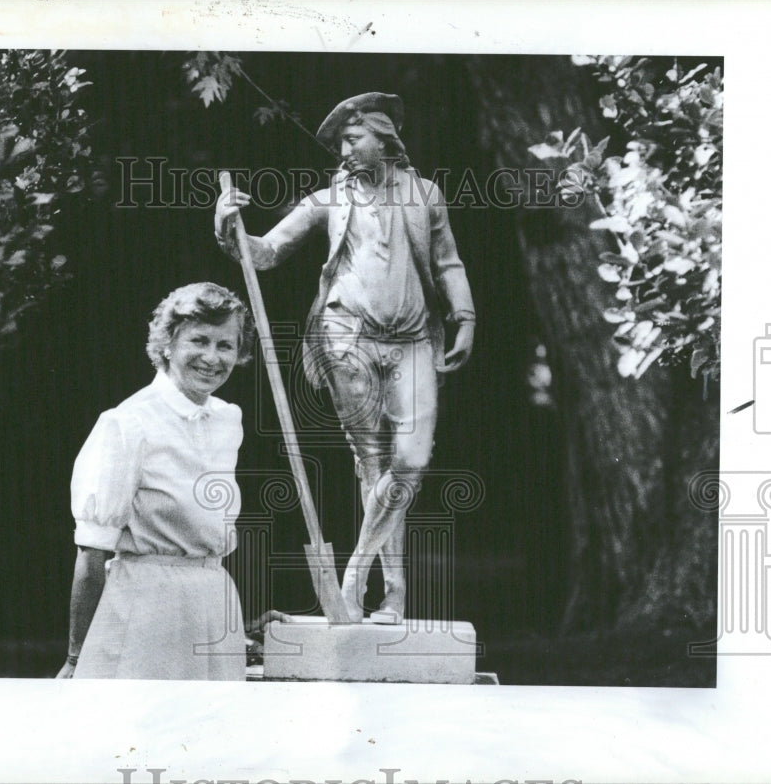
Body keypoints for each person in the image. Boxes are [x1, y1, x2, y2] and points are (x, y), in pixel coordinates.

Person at [215, 92, 475, 623]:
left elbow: (449, 261)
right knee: (372, 461)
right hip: (344, 335)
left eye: (353, 140)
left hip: (413, 338)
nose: (344, 151)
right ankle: (392, 597)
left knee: (411, 460)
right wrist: (227, 225)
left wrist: (465, 317)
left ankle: (355, 576)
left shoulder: (425, 194)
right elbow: (263, 252)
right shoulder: (328, 199)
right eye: (339, 144)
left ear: (384, 139)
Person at [56, 282, 286, 680]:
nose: (212, 358)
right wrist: (76, 659)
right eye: (198, 341)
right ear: (166, 345)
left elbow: (200, 541)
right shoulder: (128, 423)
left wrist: (238, 628)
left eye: (225, 345)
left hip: (216, 609)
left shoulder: (228, 419)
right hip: (144, 611)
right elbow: (92, 555)